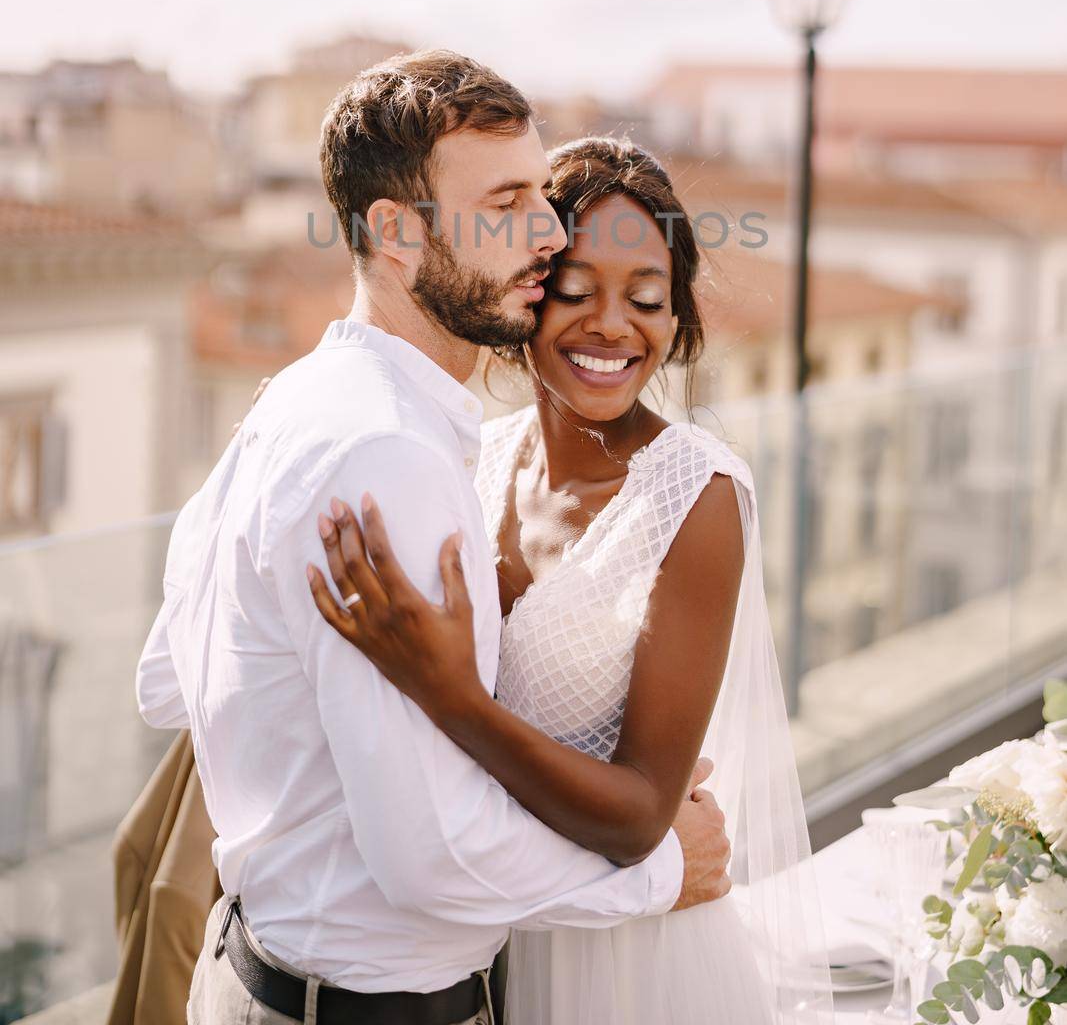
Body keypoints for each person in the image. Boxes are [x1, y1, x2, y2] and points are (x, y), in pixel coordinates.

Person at [135, 51, 733, 1025]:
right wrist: (662, 874)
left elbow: (165, 678)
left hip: (255, 974)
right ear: (396, 235)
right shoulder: (389, 456)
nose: (544, 233)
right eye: (504, 206)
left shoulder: (294, 403)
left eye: (540, 194)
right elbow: (425, 859)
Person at [307, 135, 836, 1024]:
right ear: (526, 292)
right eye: (575, 291)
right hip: (482, 938)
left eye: (645, 300)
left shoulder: (696, 498)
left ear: (677, 322)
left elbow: (638, 817)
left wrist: (451, 697)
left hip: (633, 962)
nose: (610, 327)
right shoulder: (473, 460)